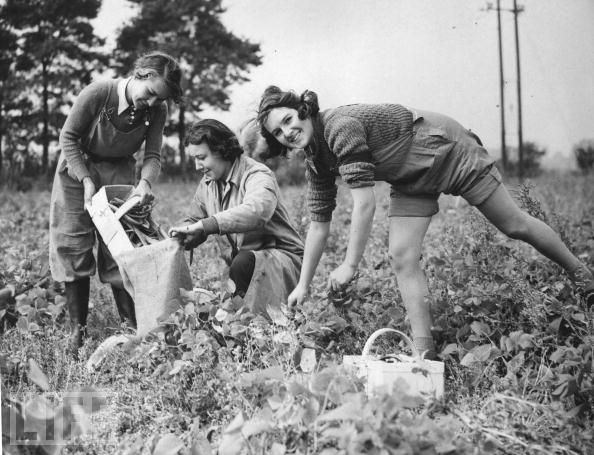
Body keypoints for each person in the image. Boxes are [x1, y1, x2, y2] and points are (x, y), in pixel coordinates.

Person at [257, 85, 594, 359]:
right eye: (278, 131)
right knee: (402, 256)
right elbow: (318, 224)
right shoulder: (316, 161)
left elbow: (364, 204)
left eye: (288, 119)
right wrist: (303, 285)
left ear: (304, 110)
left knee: (514, 225)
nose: (288, 131)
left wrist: (350, 264)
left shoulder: (340, 127)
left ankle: (583, 276)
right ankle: (425, 356)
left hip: (447, 149)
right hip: (411, 177)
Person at [49, 51, 182, 351]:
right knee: (73, 243)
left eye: (158, 100)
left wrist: (145, 182)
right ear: (141, 75)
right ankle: (77, 332)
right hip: (77, 170)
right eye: (149, 94)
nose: (150, 103)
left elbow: (153, 156)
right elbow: (68, 137)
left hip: (119, 173)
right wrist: (85, 180)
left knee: (119, 246)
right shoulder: (99, 92)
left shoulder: (156, 112)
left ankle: (130, 328)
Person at [168, 119, 304, 317]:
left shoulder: (257, 174)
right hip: (244, 269)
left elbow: (257, 211)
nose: (197, 166)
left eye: (202, 157)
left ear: (222, 150)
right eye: (194, 159)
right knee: (225, 315)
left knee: (243, 264)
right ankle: (232, 321)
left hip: (281, 263)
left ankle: (235, 322)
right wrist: (184, 236)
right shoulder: (208, 184)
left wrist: (207, 225)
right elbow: (194, 219)